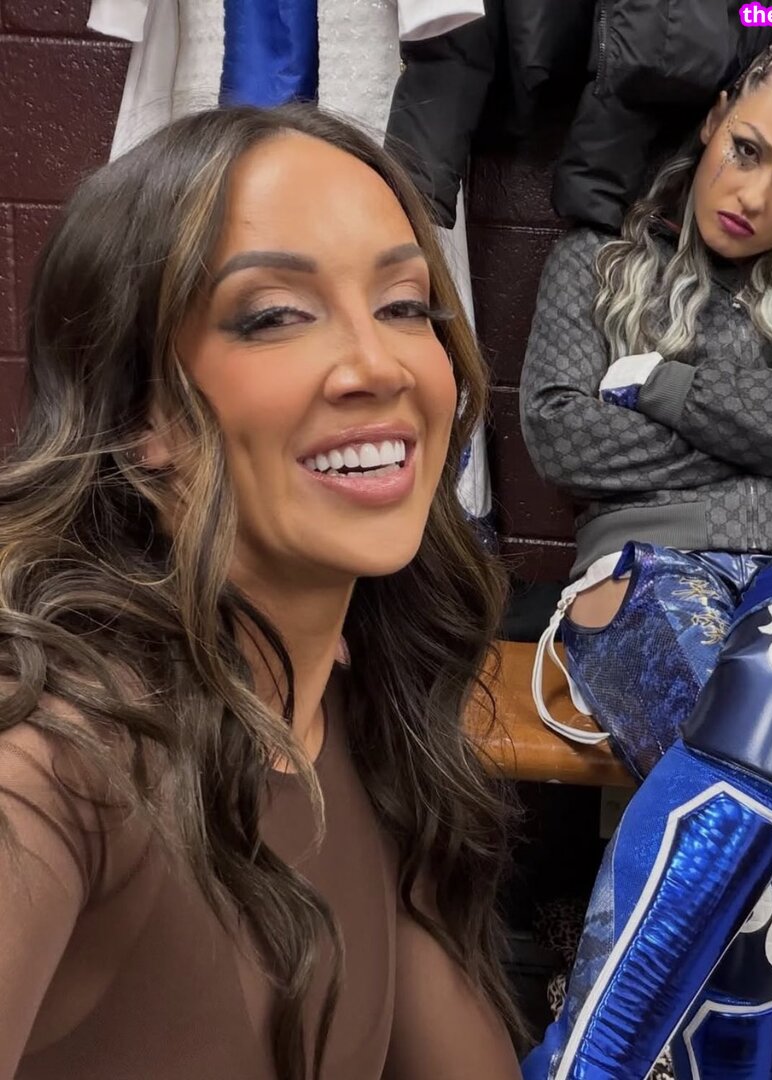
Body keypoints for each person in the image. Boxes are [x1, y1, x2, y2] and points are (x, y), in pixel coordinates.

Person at [0, 104, 525, 1080]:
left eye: (404, 305)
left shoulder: (360, 705)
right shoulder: (53, 757)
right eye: (275, 315)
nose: (377, 365)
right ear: (140, 415)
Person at [519, 29, 772, 1080]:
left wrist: (661, 386)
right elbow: (561, 437)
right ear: (713, 116)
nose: (752, 195)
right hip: (644, 569)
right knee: (769, 848)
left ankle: (580, 1061)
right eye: (745, 150)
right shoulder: (595, 259)